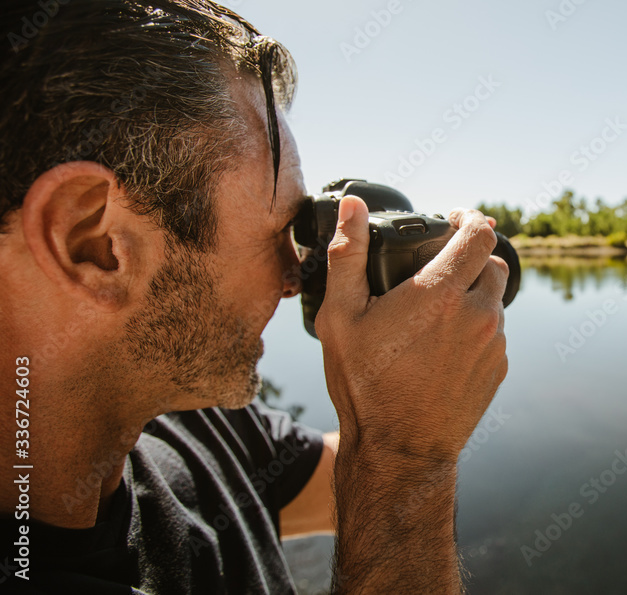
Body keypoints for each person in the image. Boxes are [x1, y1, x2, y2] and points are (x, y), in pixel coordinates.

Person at [0, 1, 508, 593]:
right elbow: (389, 463)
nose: (295, 277)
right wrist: (409, 457)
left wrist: (419, 315)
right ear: (95, 244)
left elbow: (355, 471)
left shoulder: (192, 432)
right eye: (277, 234)